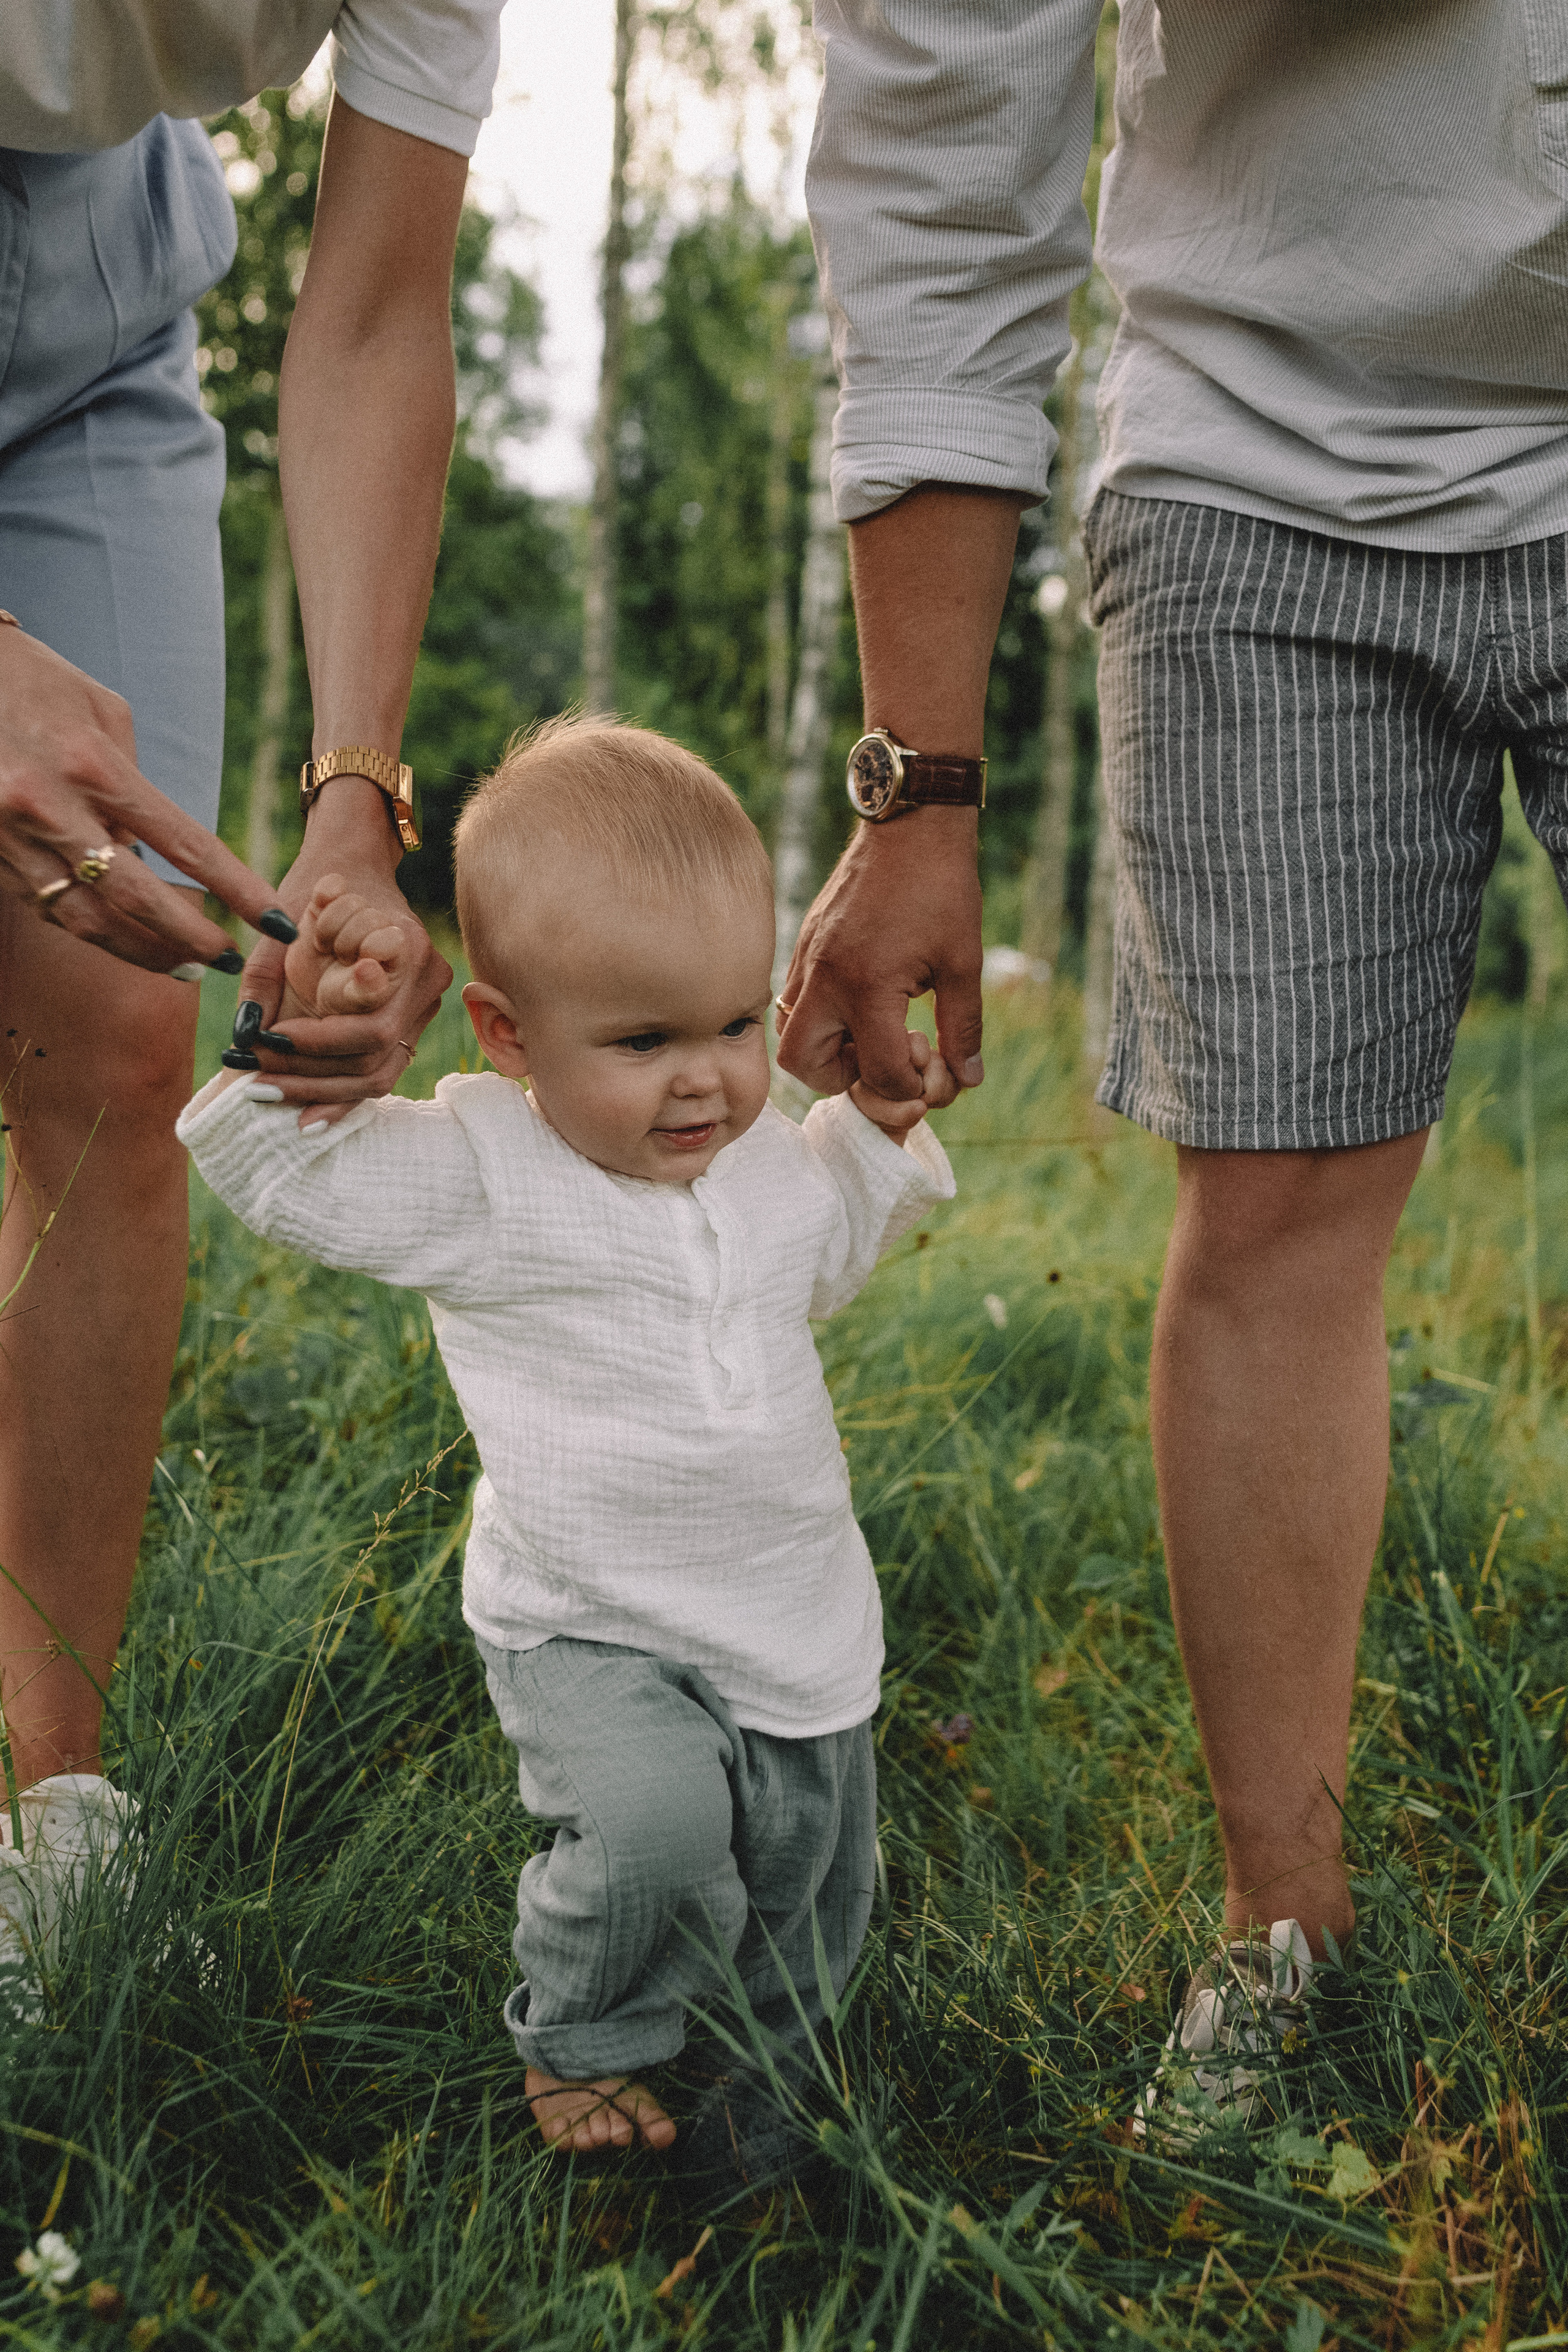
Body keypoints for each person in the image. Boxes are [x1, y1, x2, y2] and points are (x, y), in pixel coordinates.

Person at [785, 0, 1568, 2121]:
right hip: (1264, 445)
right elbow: (944, 160)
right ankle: (1282, 1939)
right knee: (1282, 1193)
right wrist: (918, 789)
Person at [177, 716, 957, 2173]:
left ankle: (762, 2132)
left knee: (807, 1894)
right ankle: (586, 2035)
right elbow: (280, 1174)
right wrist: (308, 1024)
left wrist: (873, 1127)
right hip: (589, 1616)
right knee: (652, 1834)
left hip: (793, 1610)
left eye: (732, 1027)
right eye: (643, 1042)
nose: (704, 1082)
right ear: (507, 1034)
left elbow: (822, 1248)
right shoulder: (484, 1168)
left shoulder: (759, 1162)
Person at [0, 3, 496, 1901]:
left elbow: (371, 320)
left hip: (92, 322)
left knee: (122, 1037)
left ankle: (52, 1816)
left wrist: (358, 805)